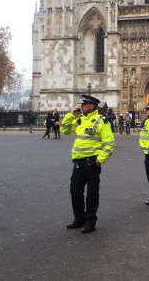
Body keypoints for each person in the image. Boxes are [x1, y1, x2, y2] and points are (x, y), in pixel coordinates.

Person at [61, 94, 116, 233]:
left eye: (84, 104)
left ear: (92, 106)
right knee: (75, 191)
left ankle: (90, 221)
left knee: (92, 193)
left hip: (92, 162)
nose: (81, 106)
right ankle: (79, 219)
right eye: (81, 104)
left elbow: (110, 143)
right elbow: (65, 130)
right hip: (78, 161)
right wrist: (70, 115)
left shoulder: (101, 121)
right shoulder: (80, 120)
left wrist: (100, 159)